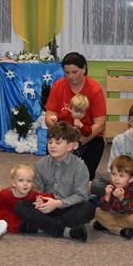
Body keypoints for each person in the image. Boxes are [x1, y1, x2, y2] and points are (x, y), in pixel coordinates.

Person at [14, 121, 94, 241]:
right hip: (45, 208)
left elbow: (82, 195)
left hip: (67, 208)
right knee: (19, 206)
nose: (52, 146)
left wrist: (58, 203)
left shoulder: (79, 166)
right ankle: (66, 231)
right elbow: (37, 191)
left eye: (58, 142)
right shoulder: (40, 165)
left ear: (70, 146)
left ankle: (40, 227)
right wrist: (39, 200)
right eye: (50, 142)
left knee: (88, 208)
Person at [44, 52, 107, 180]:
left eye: (74, 72)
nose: (71, 76)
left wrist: (78, 142)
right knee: (53, 176)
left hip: (89, 137)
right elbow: (48, 117)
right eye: (67, 73)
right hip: (63, 137)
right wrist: (62, 137)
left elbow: (100, 125)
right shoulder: (58, 86)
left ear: (84, 69)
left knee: (83, 177)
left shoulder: (94, 89)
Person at [93, 155, 133, 240]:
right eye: (114, 174)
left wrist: (122, 198)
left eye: (121, 176)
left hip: (128, 218)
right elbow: (104, 208)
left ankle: (107, 225)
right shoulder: (111, 186)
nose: (116, 178)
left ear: (131, 179)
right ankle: (120, 231)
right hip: (115, 214)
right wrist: (107, 196)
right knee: (97, 211)